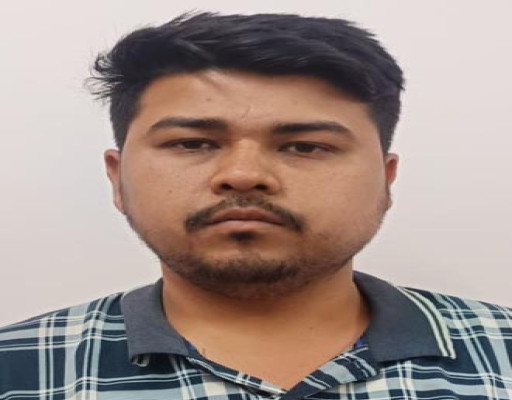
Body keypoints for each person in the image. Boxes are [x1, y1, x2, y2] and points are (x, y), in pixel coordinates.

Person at [0, 11, 510, 400]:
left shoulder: (501, 353)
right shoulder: (16, 368)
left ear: (386, 178)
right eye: (192, 143)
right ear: (117, 177)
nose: (243, 175)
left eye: (305, 146)